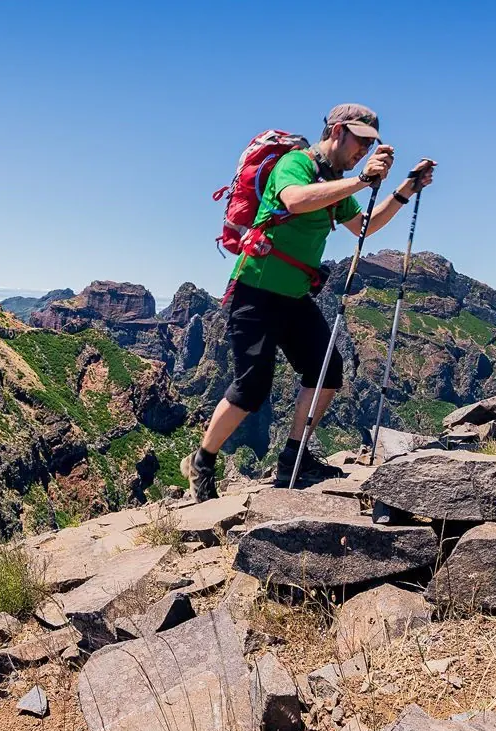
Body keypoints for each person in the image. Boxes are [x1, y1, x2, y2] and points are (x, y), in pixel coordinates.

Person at [182, 103, 435, 500]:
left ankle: (293, 459)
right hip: (257, 292)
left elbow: (364, 227)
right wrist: (360, 182)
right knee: (251, 389)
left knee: (327, 372)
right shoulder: (296, 164)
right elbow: (296, 200)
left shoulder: (336, 182)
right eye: (361, 142)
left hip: (295, 296)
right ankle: (202, 461)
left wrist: (405, 188)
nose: (363, 152)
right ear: (337, 132)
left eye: (371, 146)